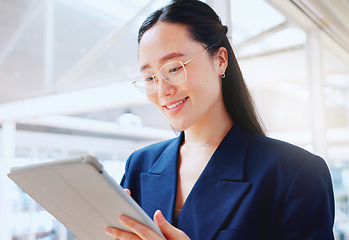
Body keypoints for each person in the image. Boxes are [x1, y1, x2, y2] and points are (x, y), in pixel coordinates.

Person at [105, 0, 335, 239]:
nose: (162, 91)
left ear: (220, 60)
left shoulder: (296, 172)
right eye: (150, 77)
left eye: (173, 68)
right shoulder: (140, 165)